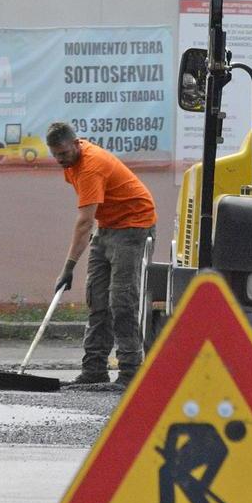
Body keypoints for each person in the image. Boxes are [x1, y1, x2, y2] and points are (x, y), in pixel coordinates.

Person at [46, 122, 156, 387]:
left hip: (133, 226)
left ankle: (130, 373)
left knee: (122, 301)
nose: (60, 160)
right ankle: (94, 370)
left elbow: (84, 222)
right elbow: (93, 219)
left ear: (75, 144)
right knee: (97, 299)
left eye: (63, 153)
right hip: (107, 227)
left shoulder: (90, 166)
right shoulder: (72, 163)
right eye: (55, 155)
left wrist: (68, 268)